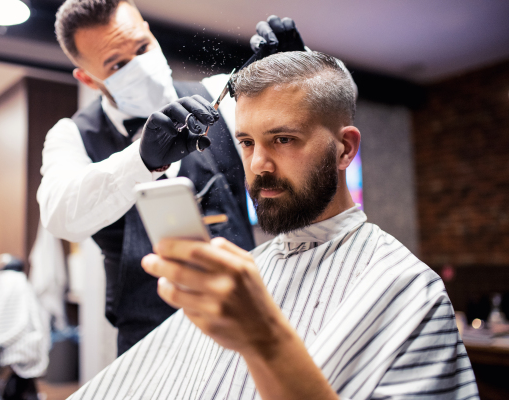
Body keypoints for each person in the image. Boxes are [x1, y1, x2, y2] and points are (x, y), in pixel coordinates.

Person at [66, 51, 479, 400]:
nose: (258, 165)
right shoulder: (251, 268)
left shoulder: (408, 286)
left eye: (283, 139)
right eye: (246, 143)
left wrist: (263, 338)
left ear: (345, 148)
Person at [37, 0, 307, 355]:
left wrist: (298, 76)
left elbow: (300, 145)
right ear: (87, 77)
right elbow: (60, 216)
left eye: (142, 47)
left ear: (150, 32)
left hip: (244, 321)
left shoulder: (220, 96)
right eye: (117, 65)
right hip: (146, 345)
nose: (139, 67)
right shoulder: (72, 135)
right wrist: (141, 159)